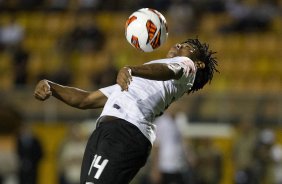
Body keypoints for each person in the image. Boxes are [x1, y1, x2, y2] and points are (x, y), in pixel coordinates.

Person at [33, 38, 219, 184]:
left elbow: (170, 68)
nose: (179, 45)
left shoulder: (188, 67)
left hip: (126, 131)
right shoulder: (141, 83)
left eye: (188, 47)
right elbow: (85, 99)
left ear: (199, 64)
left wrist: (132, 69)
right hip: (106, 132)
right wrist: (52, 87)